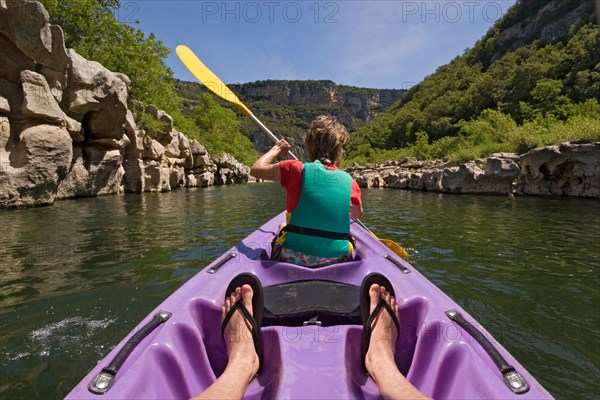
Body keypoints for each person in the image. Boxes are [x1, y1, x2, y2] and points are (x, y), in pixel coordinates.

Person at [191, 281, 430, 400]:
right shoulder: (349, 187)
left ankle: (244, 359)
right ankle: (380, 359)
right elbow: (355, 215)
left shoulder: (291, 181)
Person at [250, 115, 363, 267]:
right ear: (338, 151)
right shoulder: (350, 182)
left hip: (292, 257)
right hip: (337, 259)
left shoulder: (294, 169)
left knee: (282, 226)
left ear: (309, 145)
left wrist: (276, 148)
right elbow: (356, 214)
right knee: (350, 238)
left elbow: (256, 170)